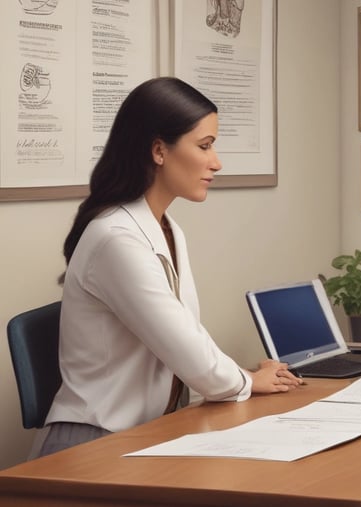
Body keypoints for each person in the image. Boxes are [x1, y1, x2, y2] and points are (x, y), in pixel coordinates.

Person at [32, 77, 301, 459]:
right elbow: (190, 355)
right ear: (159, 150)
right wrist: (247, 380)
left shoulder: (167, 228)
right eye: (204, 146)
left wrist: (241, 376)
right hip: (93, 444)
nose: (216, 162)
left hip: (147, 433)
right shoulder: (116, 238)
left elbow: (186, 336)